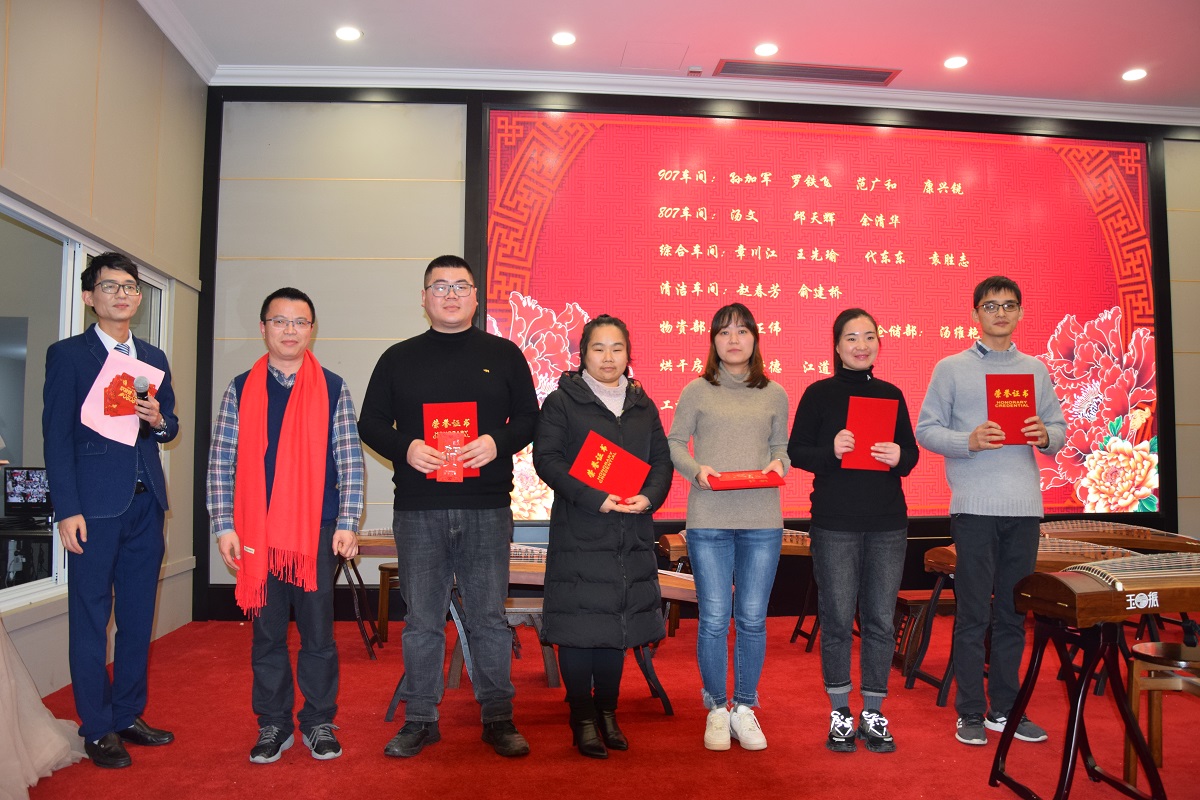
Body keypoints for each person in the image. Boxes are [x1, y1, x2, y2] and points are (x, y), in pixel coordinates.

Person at [359, 254, 538, 759]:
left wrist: (497, 442)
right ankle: (420, 718)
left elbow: (530, 418)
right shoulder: (398, 358)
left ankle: (498, 716)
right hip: (419, 508)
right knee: (421, 620)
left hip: (486, 507)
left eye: (461, 286)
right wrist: (407, 448)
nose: (451, 294)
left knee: (488, 618)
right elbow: (370, 423)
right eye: (440, 286)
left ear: (476, 298)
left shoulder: (504, 354)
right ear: (424, 298)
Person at [206, 287, 364, 764]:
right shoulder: (240, 388)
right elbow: (221, 461)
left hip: (316, 531)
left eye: (300, 322)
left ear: (312, 329)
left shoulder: (333, 387)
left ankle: (318, 721)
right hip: (256, 532)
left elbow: (349, 460)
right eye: (280, 321)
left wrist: (347, 521)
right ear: (263, 328)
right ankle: (273, 723)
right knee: (268, 635)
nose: (290, 330)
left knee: (318, 634)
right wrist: (223, 525)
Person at [915, 275, 1065, 747]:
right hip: (974, 509)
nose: (1001, 313)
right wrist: (970, 440)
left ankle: (1005, 709)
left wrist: (1046, 435)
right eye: (991, 305)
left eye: (1009, 305)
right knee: (974, 613)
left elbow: (1059, 431)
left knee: (1014, 615)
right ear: (975, 314)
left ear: (1020, 312)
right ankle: (970, 712)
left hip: (1024, 509)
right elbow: (926, 430)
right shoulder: (951, 368)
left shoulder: (1035, 369)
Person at [42, 252, 179, 769]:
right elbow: (56, 437)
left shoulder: (153, 357)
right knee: (91, 620)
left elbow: (168, 428)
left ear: (139, 298)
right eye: (110, 286)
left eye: (130, 287)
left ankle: (126, 715)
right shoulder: (69, 355)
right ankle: (96, 727)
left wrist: (159, 420)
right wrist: (66, 508)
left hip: (147, 505)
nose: (123, 295)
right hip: (94, 510)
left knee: (139, 619)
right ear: (88, 297)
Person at [532, 314, 673, 759]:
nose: (608, 357)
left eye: (617, 348)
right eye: (598, 348)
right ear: (583, 354)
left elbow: (662, 461)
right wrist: (596, 498)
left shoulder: (642, 404)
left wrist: (649, 498)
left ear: (629, 355)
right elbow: (547, 460)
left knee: (618, 625)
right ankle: (581, 716)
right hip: (581, 530)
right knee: (579, 628)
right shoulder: (562, 402)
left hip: (630, 533)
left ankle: (608, 712)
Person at [787, 308, 919, 753]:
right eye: (851, 337)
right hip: (835, 523)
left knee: (880, 620)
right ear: (837, 346)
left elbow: (911, 456)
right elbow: (797, 451)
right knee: (838, 619)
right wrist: (831, 450)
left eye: (869, 336)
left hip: (887, 523)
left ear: (879, 342)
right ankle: (840, 712)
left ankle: (874, 712)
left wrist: (898, 455)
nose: (861, 345)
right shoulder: (819, 393)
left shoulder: (891, 394)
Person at [667, 302, 790, 752]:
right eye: (723, 332)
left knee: (753, 619)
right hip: (710, 519)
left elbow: (781, 448)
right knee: (716, 618)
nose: (733, 339)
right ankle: (717, 708)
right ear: (713, 341)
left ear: (755, 338)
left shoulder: (774, 392)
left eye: (741, 331)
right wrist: (695, 469)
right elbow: (675, 442)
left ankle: (745, 707)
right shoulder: (696, 390)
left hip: (761, 520)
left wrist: (780, 464)